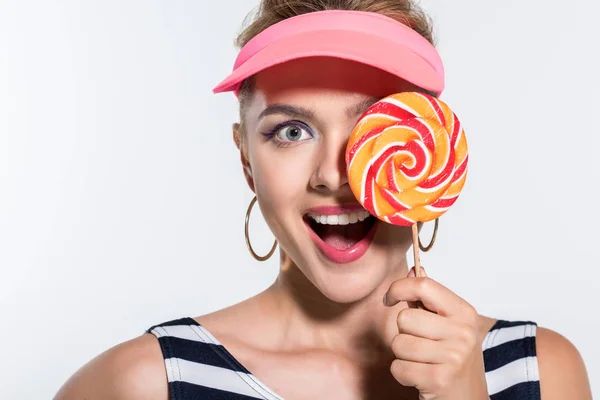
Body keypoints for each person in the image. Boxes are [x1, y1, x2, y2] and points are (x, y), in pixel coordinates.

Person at [54, 1, 592, 399]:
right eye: (291, 131)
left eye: (372, 125)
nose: (336, 176)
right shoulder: (142, 384)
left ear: (428, 143)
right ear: (246, 158)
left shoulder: (539, 371)